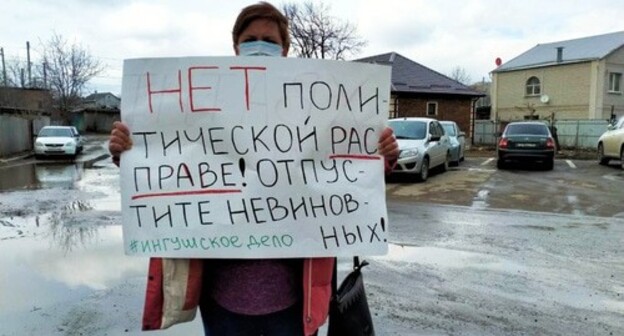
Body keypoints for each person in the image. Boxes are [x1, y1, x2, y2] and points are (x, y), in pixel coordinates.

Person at [108, 2, 399, 335]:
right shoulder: (205, 109)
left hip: (294, 304)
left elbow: (346, 172)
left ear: (285, 49)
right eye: (250, 39)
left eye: (269, 40)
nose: (259, 46)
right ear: (236, 47)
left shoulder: (312, 109)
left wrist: (381, 156)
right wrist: (128, 153)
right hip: (222, 303)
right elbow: (168, 161)